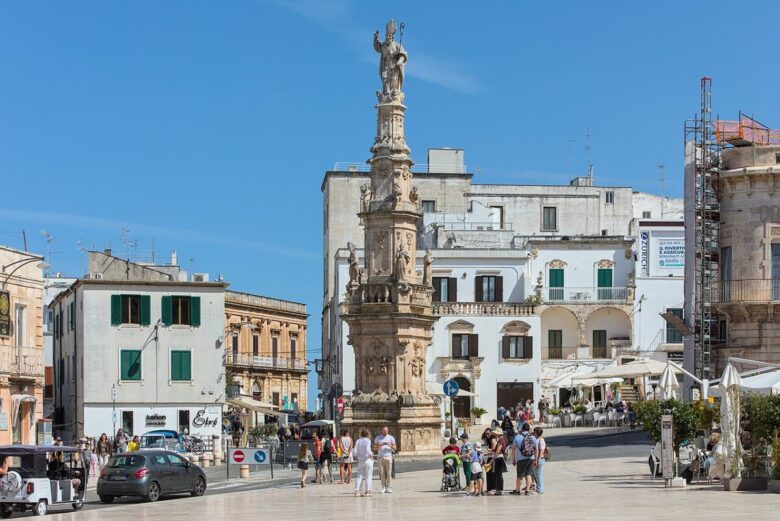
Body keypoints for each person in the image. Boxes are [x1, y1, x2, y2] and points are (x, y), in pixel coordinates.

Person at [511, 422, 537, 495]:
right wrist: (536, 459)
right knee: (529, 474)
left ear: (522, 429)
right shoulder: (533, 437)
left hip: (521, 459)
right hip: (531, 458)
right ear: (529, 429)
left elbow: (513, 449)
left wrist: (513, 459)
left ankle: (517, 490)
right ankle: (527, 491)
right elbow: (536, 449)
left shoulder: (517, 437)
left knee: (520, 476)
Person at [373, 426, 396, 494]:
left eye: (387, 430)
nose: (386, 431)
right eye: (384, 430)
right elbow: (374, 448)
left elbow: (395, 448)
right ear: (382, 431)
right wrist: (381, 445)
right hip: (380, 457)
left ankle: (389, 487)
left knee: (389, 473)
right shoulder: (378, 438)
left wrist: (390, 445)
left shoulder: (391, 437)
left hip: (388, 456)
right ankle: (383, 487)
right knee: (382, 473)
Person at [486, 428, 507, 495]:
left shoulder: (500, 440)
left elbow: (498, 450)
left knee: (498, 474)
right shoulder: (503, 439)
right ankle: (499, 489)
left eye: (496, 433)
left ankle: (499, 489)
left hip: (498, 458)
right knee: (499, 474)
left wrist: (493, 458)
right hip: (500, 457)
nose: (495, 434)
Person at [354, 429, 374, 497]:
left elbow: (355, 452)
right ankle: (367, 491)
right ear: (367, 434)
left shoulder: (358, 441)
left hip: (360, 460)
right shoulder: (368, 440)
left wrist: (357, 456)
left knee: (359, 476)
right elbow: (368, 449)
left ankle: (357, 491)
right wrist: (371, 455)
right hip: (367, 459)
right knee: (368, 476)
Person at [532, 427, 547, 494]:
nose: (533, 433)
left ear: (537, 433)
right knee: (536, 475)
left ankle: (540, 490)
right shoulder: (537, 439)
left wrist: (538, 460)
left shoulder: (541, 440)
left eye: (534, 432)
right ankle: (538, 488)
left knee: (538, 475)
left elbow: (541, 451)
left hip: (539, 459)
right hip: (537, 459)